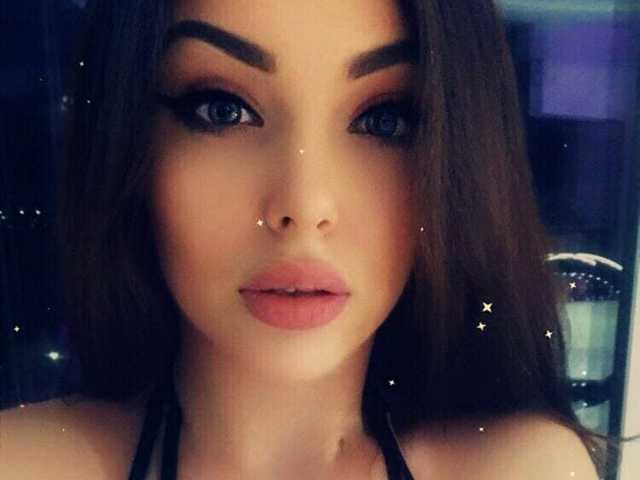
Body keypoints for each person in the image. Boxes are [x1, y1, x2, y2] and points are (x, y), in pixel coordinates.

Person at [1, 0, 623, 478]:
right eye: (221, 109)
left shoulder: (518, 470)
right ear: (129, 141)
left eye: (385, 118)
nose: (304, 206)